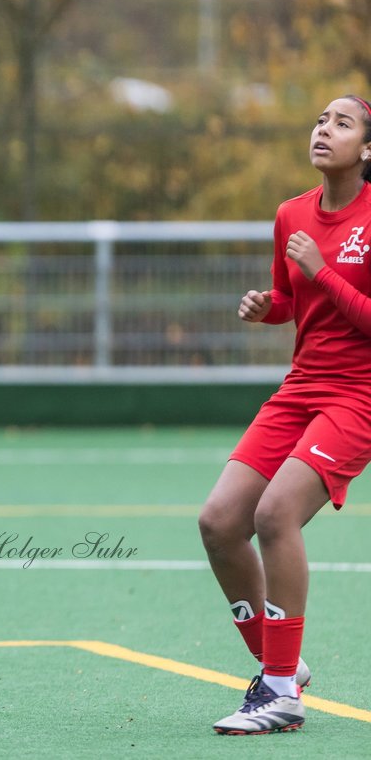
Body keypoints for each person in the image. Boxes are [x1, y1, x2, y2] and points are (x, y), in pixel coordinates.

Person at [198, 94, 371, 734]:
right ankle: (278, 668)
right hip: (301, 388)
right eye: (321, 120)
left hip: (360, 395)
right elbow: (292, 301)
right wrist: (266, 304)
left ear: (368, 150)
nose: (325, 130)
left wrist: (321, 273)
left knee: (274, 514)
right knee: (219, 522)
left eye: (342, 123)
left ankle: (278, 696)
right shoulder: (291, 213)